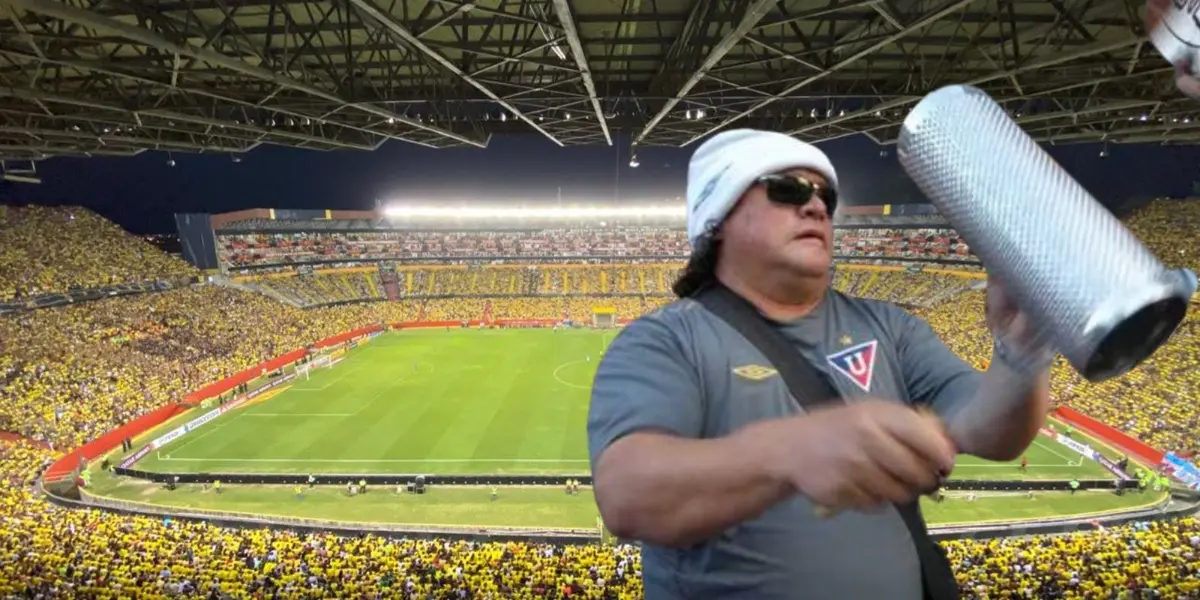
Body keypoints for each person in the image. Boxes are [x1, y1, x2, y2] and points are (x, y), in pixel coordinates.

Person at [587, 129, 1053, 600]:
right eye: (787, 189)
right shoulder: (664, 339)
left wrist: (1022, 351)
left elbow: (989, 432)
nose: (814, 207)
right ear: (718, 218)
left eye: (825, 197)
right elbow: (626, 495)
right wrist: (789, 450)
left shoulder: (891, 326)